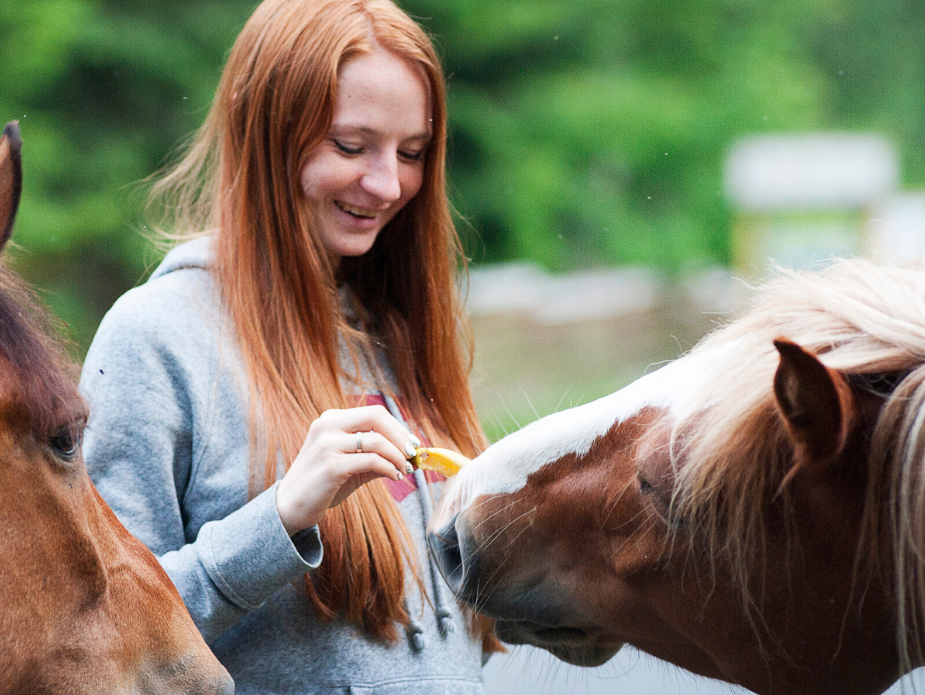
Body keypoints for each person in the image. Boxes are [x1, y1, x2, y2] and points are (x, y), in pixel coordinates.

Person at [79, 0, 502, 692]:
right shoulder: (153, 339)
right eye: (350, 146)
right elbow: (96, 633)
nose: (387, 183)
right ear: (267, 133)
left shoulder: (394, 328)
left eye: (412, 153)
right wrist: (279, 518)